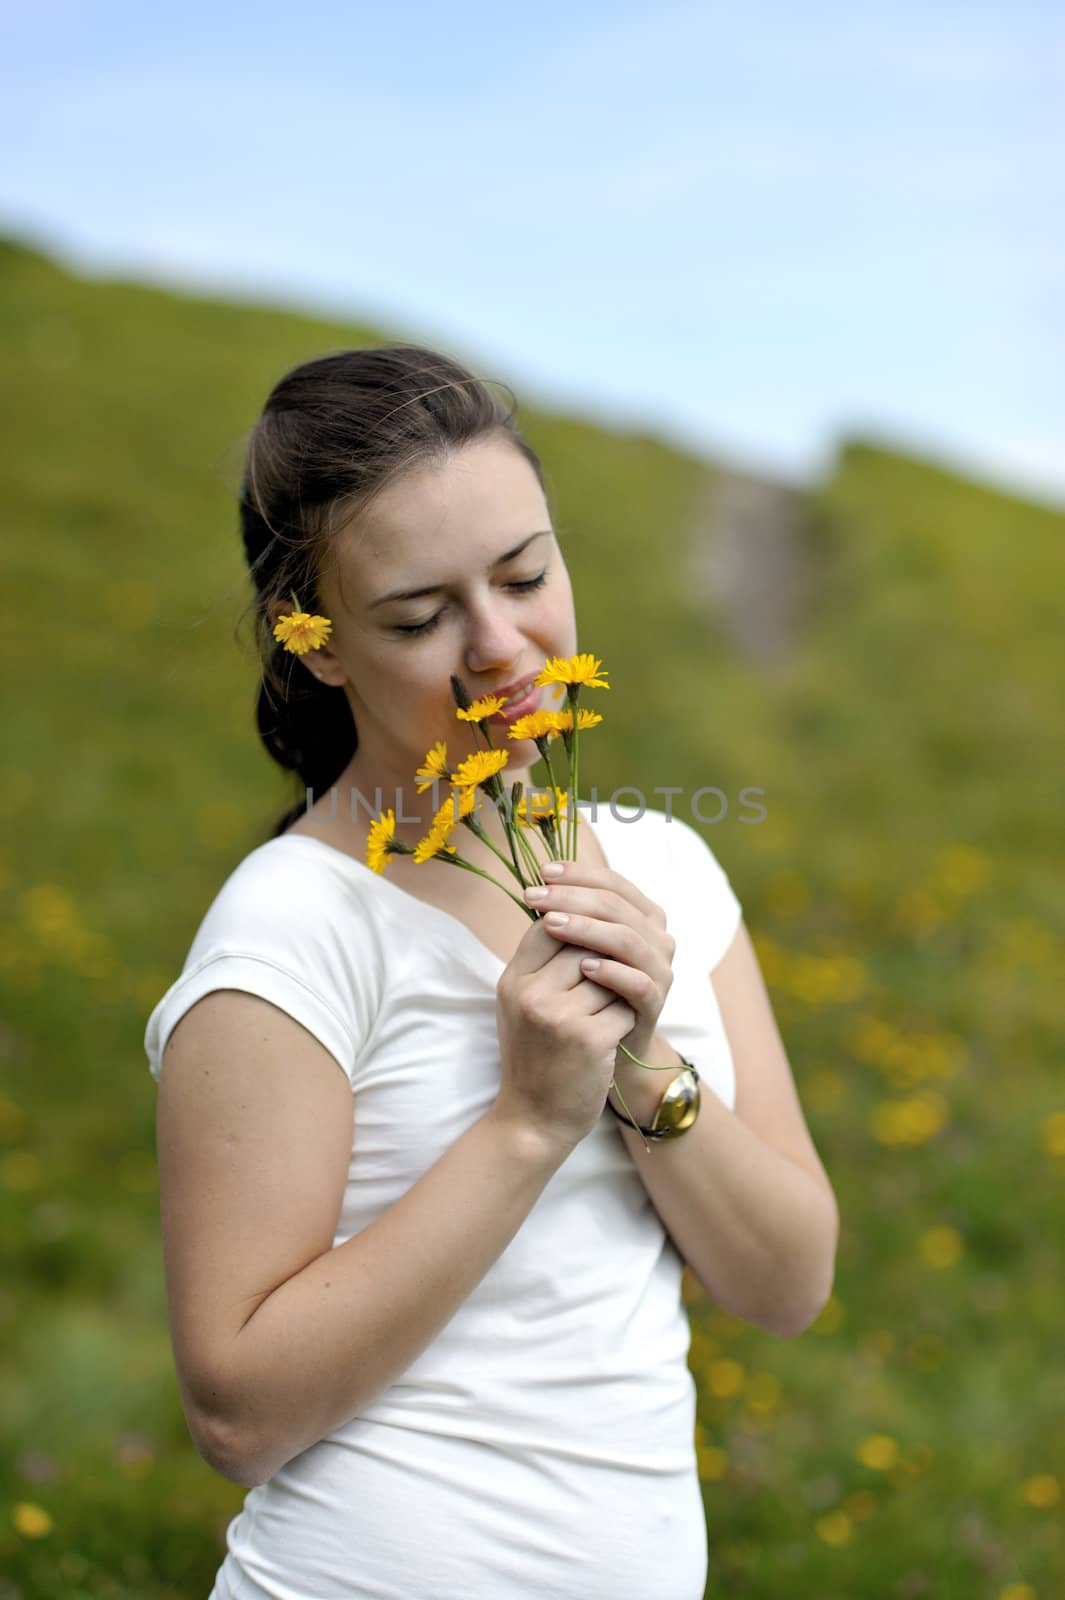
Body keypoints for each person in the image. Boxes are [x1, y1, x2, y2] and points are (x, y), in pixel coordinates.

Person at [144, 344, 839, 1599]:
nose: (503, 646)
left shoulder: (665, 868)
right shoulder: (293, 926)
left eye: (526, 574)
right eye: (420, 617)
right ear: (320, 647)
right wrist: (525, 1123)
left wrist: (642, 1061)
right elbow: (236, 1415)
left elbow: (789, 1281)